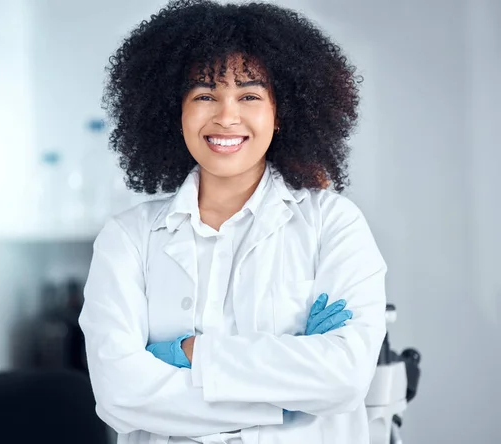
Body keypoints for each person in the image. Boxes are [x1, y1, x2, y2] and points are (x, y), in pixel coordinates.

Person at [79, 1, 387, 443]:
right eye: (205, 95)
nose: (226, 116)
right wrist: (290, 400)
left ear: (280, 113)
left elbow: (346, 378)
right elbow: (120, 395)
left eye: (249, 96)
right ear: (175, 111)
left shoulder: (333, 224)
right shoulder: (127, 238)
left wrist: (192, 355)